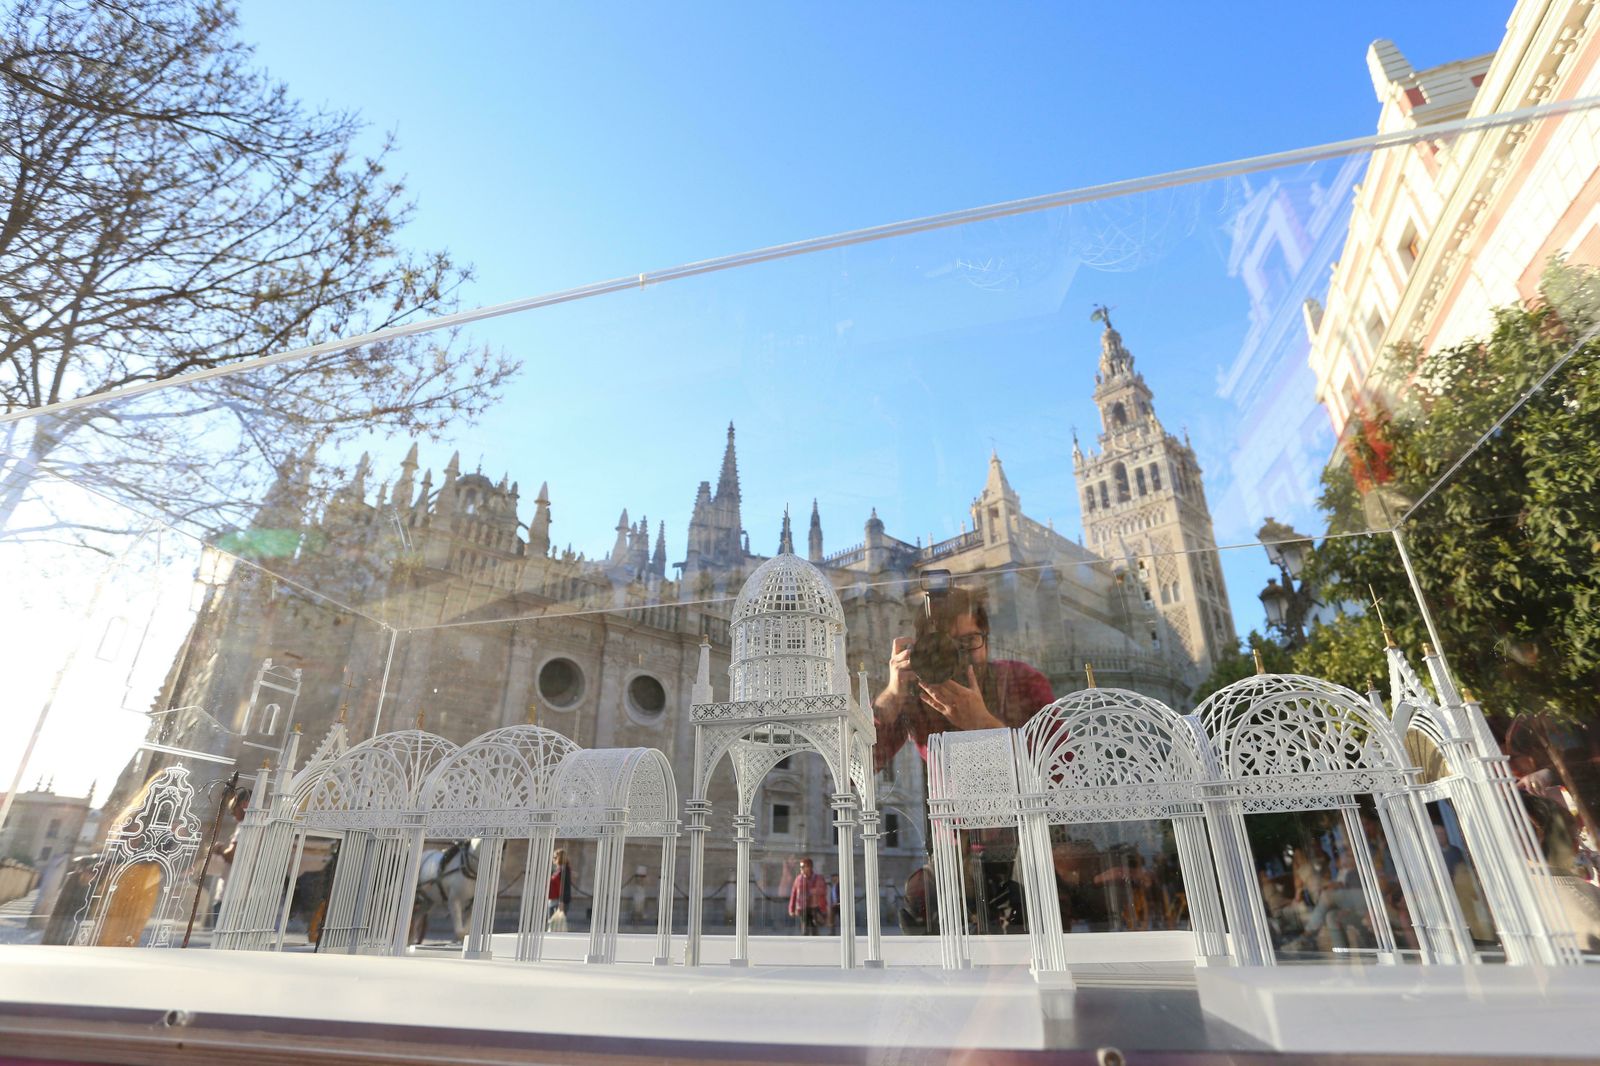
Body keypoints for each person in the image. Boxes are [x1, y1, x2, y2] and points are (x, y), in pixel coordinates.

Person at [872, 586, 1054, 770]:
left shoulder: (1022, 681)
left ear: (986, 642)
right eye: (941, 647)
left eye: (967, 641)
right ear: (921, 650)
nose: (956, 656)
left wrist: (984, 725)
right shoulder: (916, 697)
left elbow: (1064, 770)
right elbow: (855, 771)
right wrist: (892, 696)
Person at [788, 857, 827, 935]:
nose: (801, 868)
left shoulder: (818, 878)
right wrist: (791, 909)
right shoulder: (798, 879)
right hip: (803, 907)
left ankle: (815, 943)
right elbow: (794, 894)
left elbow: (824, 891)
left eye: (803, 866)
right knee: (805, 928)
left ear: (809, 867)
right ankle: (805, 943)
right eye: (800, 867)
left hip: (815, 906)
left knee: (814, 927)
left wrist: (814, 891)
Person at [548, 848, 572, 922]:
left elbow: (564, 887)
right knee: (552, 923)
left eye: (555, 857)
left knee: (556, 924)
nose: (553, 859)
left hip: (559, 901)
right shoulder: (559, 870)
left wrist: (562, 901)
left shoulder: (564, 870)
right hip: (553, 899)